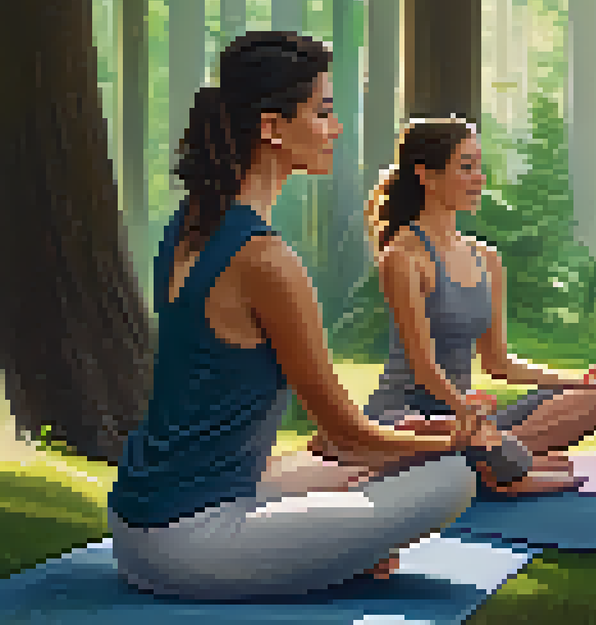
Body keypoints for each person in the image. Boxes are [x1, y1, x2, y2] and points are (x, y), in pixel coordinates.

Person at [108, 32, 503, 600]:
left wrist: (410, 436)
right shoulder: (265, 259)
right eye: (323, 112)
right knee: (452, 474)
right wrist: (458, 440)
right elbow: (347, 434)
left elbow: (339, 443)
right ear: (271, 126)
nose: (335, 128)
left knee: (390, 453)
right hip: (193, 542)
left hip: (144, 520)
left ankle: (331, 549)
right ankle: (337, 554)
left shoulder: (192, 224)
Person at [357, 117, 596, 496]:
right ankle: (499, 466)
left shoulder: (486, 258)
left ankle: (492, 461)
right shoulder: (404, 256)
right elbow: (423, 367)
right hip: (409, 415)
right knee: (435, 431)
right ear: (425, 175)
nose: (479, 177)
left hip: (467, 418)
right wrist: (466, 410)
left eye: (479, 165)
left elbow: (498, 363)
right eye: (466, 166)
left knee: (592, 404)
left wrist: (582, 379)